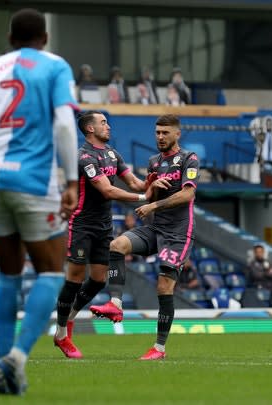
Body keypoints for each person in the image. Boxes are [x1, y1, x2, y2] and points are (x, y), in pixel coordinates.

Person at [0, 8, 79, 395]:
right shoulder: (55, 67)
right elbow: (62, 124)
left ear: (9, 39)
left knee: (8, 273)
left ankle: (1, 364)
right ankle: (18, 357)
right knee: (52, 272)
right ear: (44, 38)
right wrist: (71, 179)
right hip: (35, 181)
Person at [90, 114, 200, 361]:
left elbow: (187, 196)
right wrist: (151, 190)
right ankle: (115, 304)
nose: (160, 137)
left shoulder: (189, 159)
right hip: (155, 228)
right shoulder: (153, 162)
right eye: (157, 132)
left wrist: (154, 205)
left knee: (164, 286)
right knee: (117, 245)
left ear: (177, 134)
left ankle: (159, 348)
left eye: (165, 132)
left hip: (178, 233)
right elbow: (149, 197)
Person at [53, 111, 149, 359]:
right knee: (74, 279)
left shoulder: (112, 154)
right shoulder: (84, 157)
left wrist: (158, 182)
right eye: (103, 122)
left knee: (97, 280)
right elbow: (107, 190)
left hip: (104, 227)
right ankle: (62, 333)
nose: (108, 126)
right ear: (90, 129)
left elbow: (136, 183)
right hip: (82, 225)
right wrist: (144, 198)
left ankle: (68, 322)